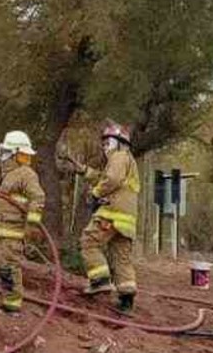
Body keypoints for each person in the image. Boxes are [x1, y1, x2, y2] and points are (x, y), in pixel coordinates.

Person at [0, 131, 45, 313]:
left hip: (11, 232)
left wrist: (31, 225)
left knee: (9, 269)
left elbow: (38, 198)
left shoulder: (26, 175)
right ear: (12, 152)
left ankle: (12, 305)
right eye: (23, 154)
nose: (26, 158)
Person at [72, 121, 140, 313]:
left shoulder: (119, 156)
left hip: (112, 214)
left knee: (89, 242)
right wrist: (85, 171)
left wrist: (95, 193)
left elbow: (111, 180)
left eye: (107, 142)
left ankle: (99, 280)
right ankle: (126, 299)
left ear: (119, 143)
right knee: (121, 257)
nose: (104, 147)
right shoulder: (128, 160)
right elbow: (106, 176)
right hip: (126, 221)